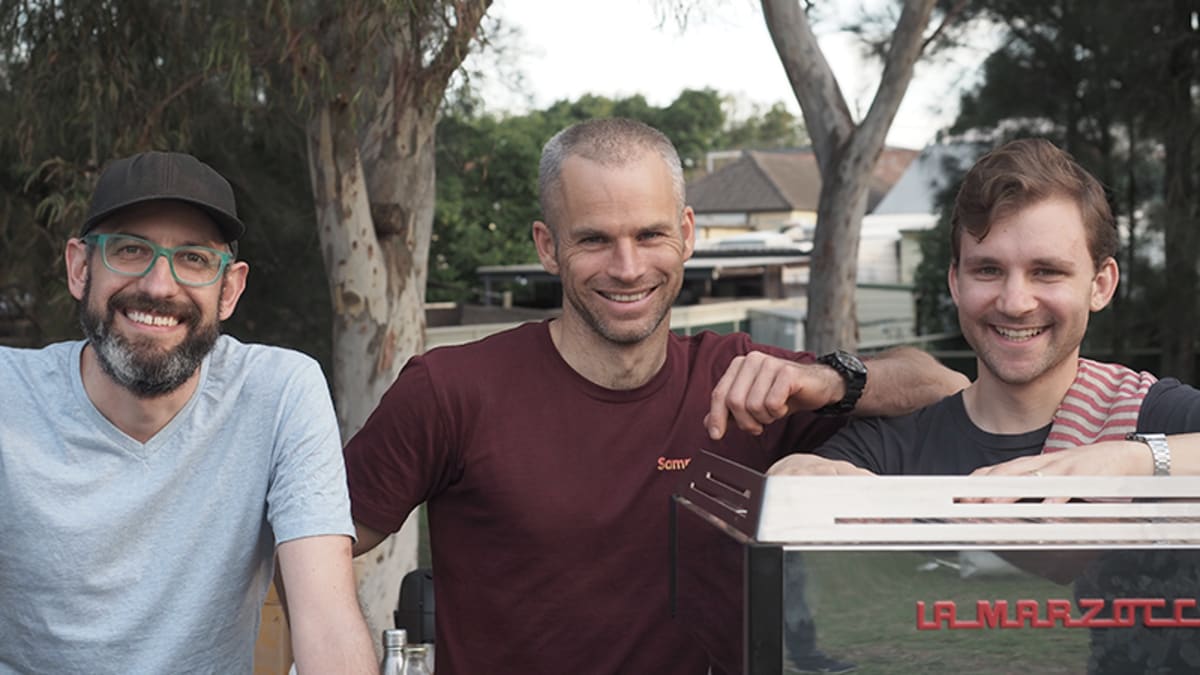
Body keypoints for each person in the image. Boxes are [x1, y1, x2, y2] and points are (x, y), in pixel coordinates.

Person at [343, 118, 969, 675]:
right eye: (593, 239)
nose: (627, 266)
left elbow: (946, 387)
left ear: (687, 233)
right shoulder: (452, 390)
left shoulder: (741, 378)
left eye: (649, 235)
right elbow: (319, 545)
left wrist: (832, 381)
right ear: (546, 246)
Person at [770, 138, 1200, 673]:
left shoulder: (1152, 415)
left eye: (1047, 271)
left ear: (1101, 284)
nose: (1015, 302)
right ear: (955, 280)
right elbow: (802, 493)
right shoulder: (894, 445)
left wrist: (1128, 460)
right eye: (988, 270)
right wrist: (794, 477)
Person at [0, 152, 377, 674]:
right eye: (130, 250)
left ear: (230, 288)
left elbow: (328, 625)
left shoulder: (279, 393)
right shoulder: (8, 397)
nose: (159, 286)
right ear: (80, 268)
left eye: (195, 259)